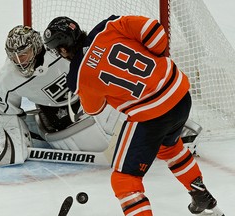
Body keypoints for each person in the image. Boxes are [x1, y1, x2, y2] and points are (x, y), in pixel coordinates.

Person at [43, 16, 223, 215]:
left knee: (124, 179)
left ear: (62, 49)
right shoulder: (108, 25)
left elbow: (95, 109)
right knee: (168, 148)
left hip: (151, 116)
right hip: (179, 96)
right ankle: (201, 195)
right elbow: (156, 34)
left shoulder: (77, 76)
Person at [0, 25, 119, 167]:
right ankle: (34, 132)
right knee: (90, 142)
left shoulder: (57, 49)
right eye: (14, 57)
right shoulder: (8, 78)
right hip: (55, 113)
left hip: (87, 94)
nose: (20, 62)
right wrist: (10, 147)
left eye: (24, 54)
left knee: (118, 115)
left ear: (37, 46)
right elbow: (2, 110)